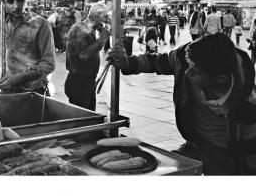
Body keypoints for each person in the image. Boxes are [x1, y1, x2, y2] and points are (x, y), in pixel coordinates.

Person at [109, 33, 256, 175]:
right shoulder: (186, 56)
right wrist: (127, 63)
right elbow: (157, 61)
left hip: (227, 151)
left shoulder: (247, 105)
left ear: (220, 79)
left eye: (195, 71)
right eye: (189, 65)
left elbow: (250, 152)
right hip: (194, 143)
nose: (187, 72)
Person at [0, 0, 56, 95]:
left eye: (20, 0)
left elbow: (49, 64)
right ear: (3, 3)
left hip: (33, 92)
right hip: (7, 90)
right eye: (10, 2)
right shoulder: (0, 21)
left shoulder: (41, 25)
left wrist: (20, 77)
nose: (16, 6)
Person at [64, 4, 111, 110]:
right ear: (95, 16)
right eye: (105, 17)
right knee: (81, 118)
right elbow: (83, 55)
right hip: (79, 82)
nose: (107, 20)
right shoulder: (79, 29)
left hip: (88, 81)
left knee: (90, 115)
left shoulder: (90, 29)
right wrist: (102, 39)